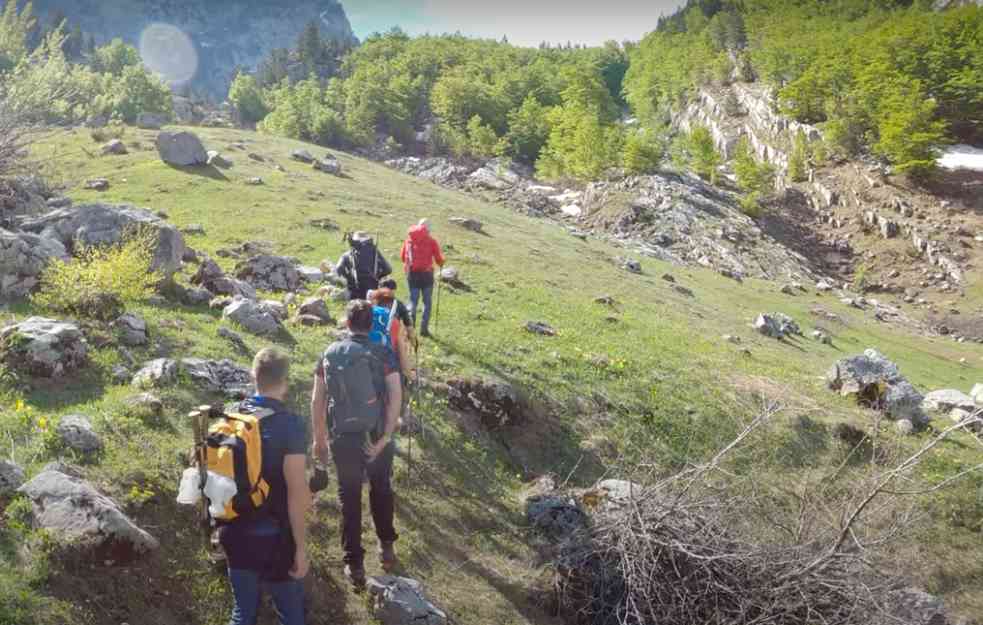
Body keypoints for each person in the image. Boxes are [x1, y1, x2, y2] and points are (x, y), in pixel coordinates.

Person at [310, 300, 402, 588]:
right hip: (375, 434)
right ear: (370, 324)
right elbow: (395, 395)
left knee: (348, 497)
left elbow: (318, 399)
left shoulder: (329, 353)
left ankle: (354, 564)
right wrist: (385, 437)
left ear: (347, 323)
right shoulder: (383, 352)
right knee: (381, 487)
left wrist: (319, 438)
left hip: (342, 436)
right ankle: (386, 545)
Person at [220, 348, 310, 625]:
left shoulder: (231, 419)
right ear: (285, 380)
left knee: (242, 613)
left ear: (253, 375)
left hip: (234, 530)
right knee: (291, 614)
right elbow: (296, 492)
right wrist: (301, 548)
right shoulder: (291, 425)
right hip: (275, 537)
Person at [400, 219, 444, 337]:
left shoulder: (409, 240)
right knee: (427, 302)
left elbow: (402, 257)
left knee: (413, 301)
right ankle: (424, 330)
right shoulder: (432, 241)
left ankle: (411, 327)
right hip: (427, 275)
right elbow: (439, 260)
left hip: (412, 274)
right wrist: (442, 262)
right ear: (428, 229)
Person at [336, 232, 392, 301]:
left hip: (355, 291)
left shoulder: (347, 254)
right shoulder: (375, 252)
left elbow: (338, 269)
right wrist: (377, 276)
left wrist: (349, 278)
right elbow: (388, 269)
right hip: (373, 290)